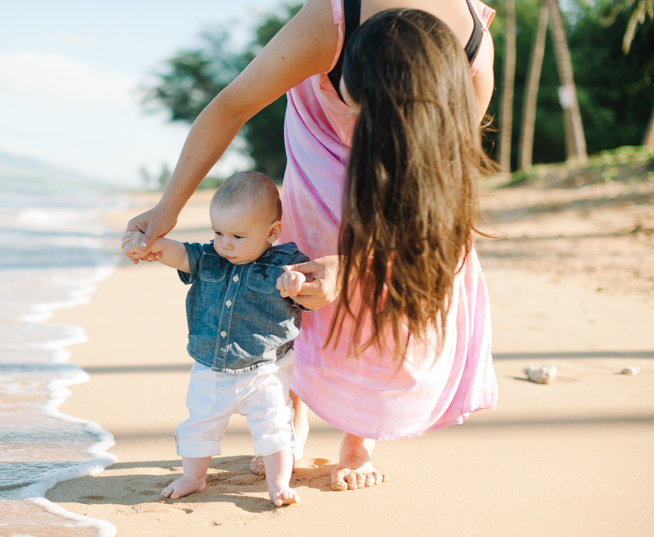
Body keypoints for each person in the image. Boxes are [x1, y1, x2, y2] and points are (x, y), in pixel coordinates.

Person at [124, 0, 497, 491]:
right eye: (355, 104)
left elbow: (434, 201)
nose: (360, 124)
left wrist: (355, 265)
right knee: (298, 279)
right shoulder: (331, 22)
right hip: (320, 150)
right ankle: (289, 406)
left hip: (412, 169)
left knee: (386, 295)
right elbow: (231, 106)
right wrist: (167, 209)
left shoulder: (470, 59)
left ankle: (358, 436)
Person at [123, 172, 310, 506]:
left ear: (272, 233)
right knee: (199, 424)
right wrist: (146, 245)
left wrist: (298, 283)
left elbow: (309, 286)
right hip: (210, 368)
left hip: (264, 370)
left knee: (275, 426)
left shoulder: (285, 263)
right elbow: (177, 253)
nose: (225, 243)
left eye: (238, 236)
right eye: (218, 232)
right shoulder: (210, 258)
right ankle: (194, 477)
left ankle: (279, 483)